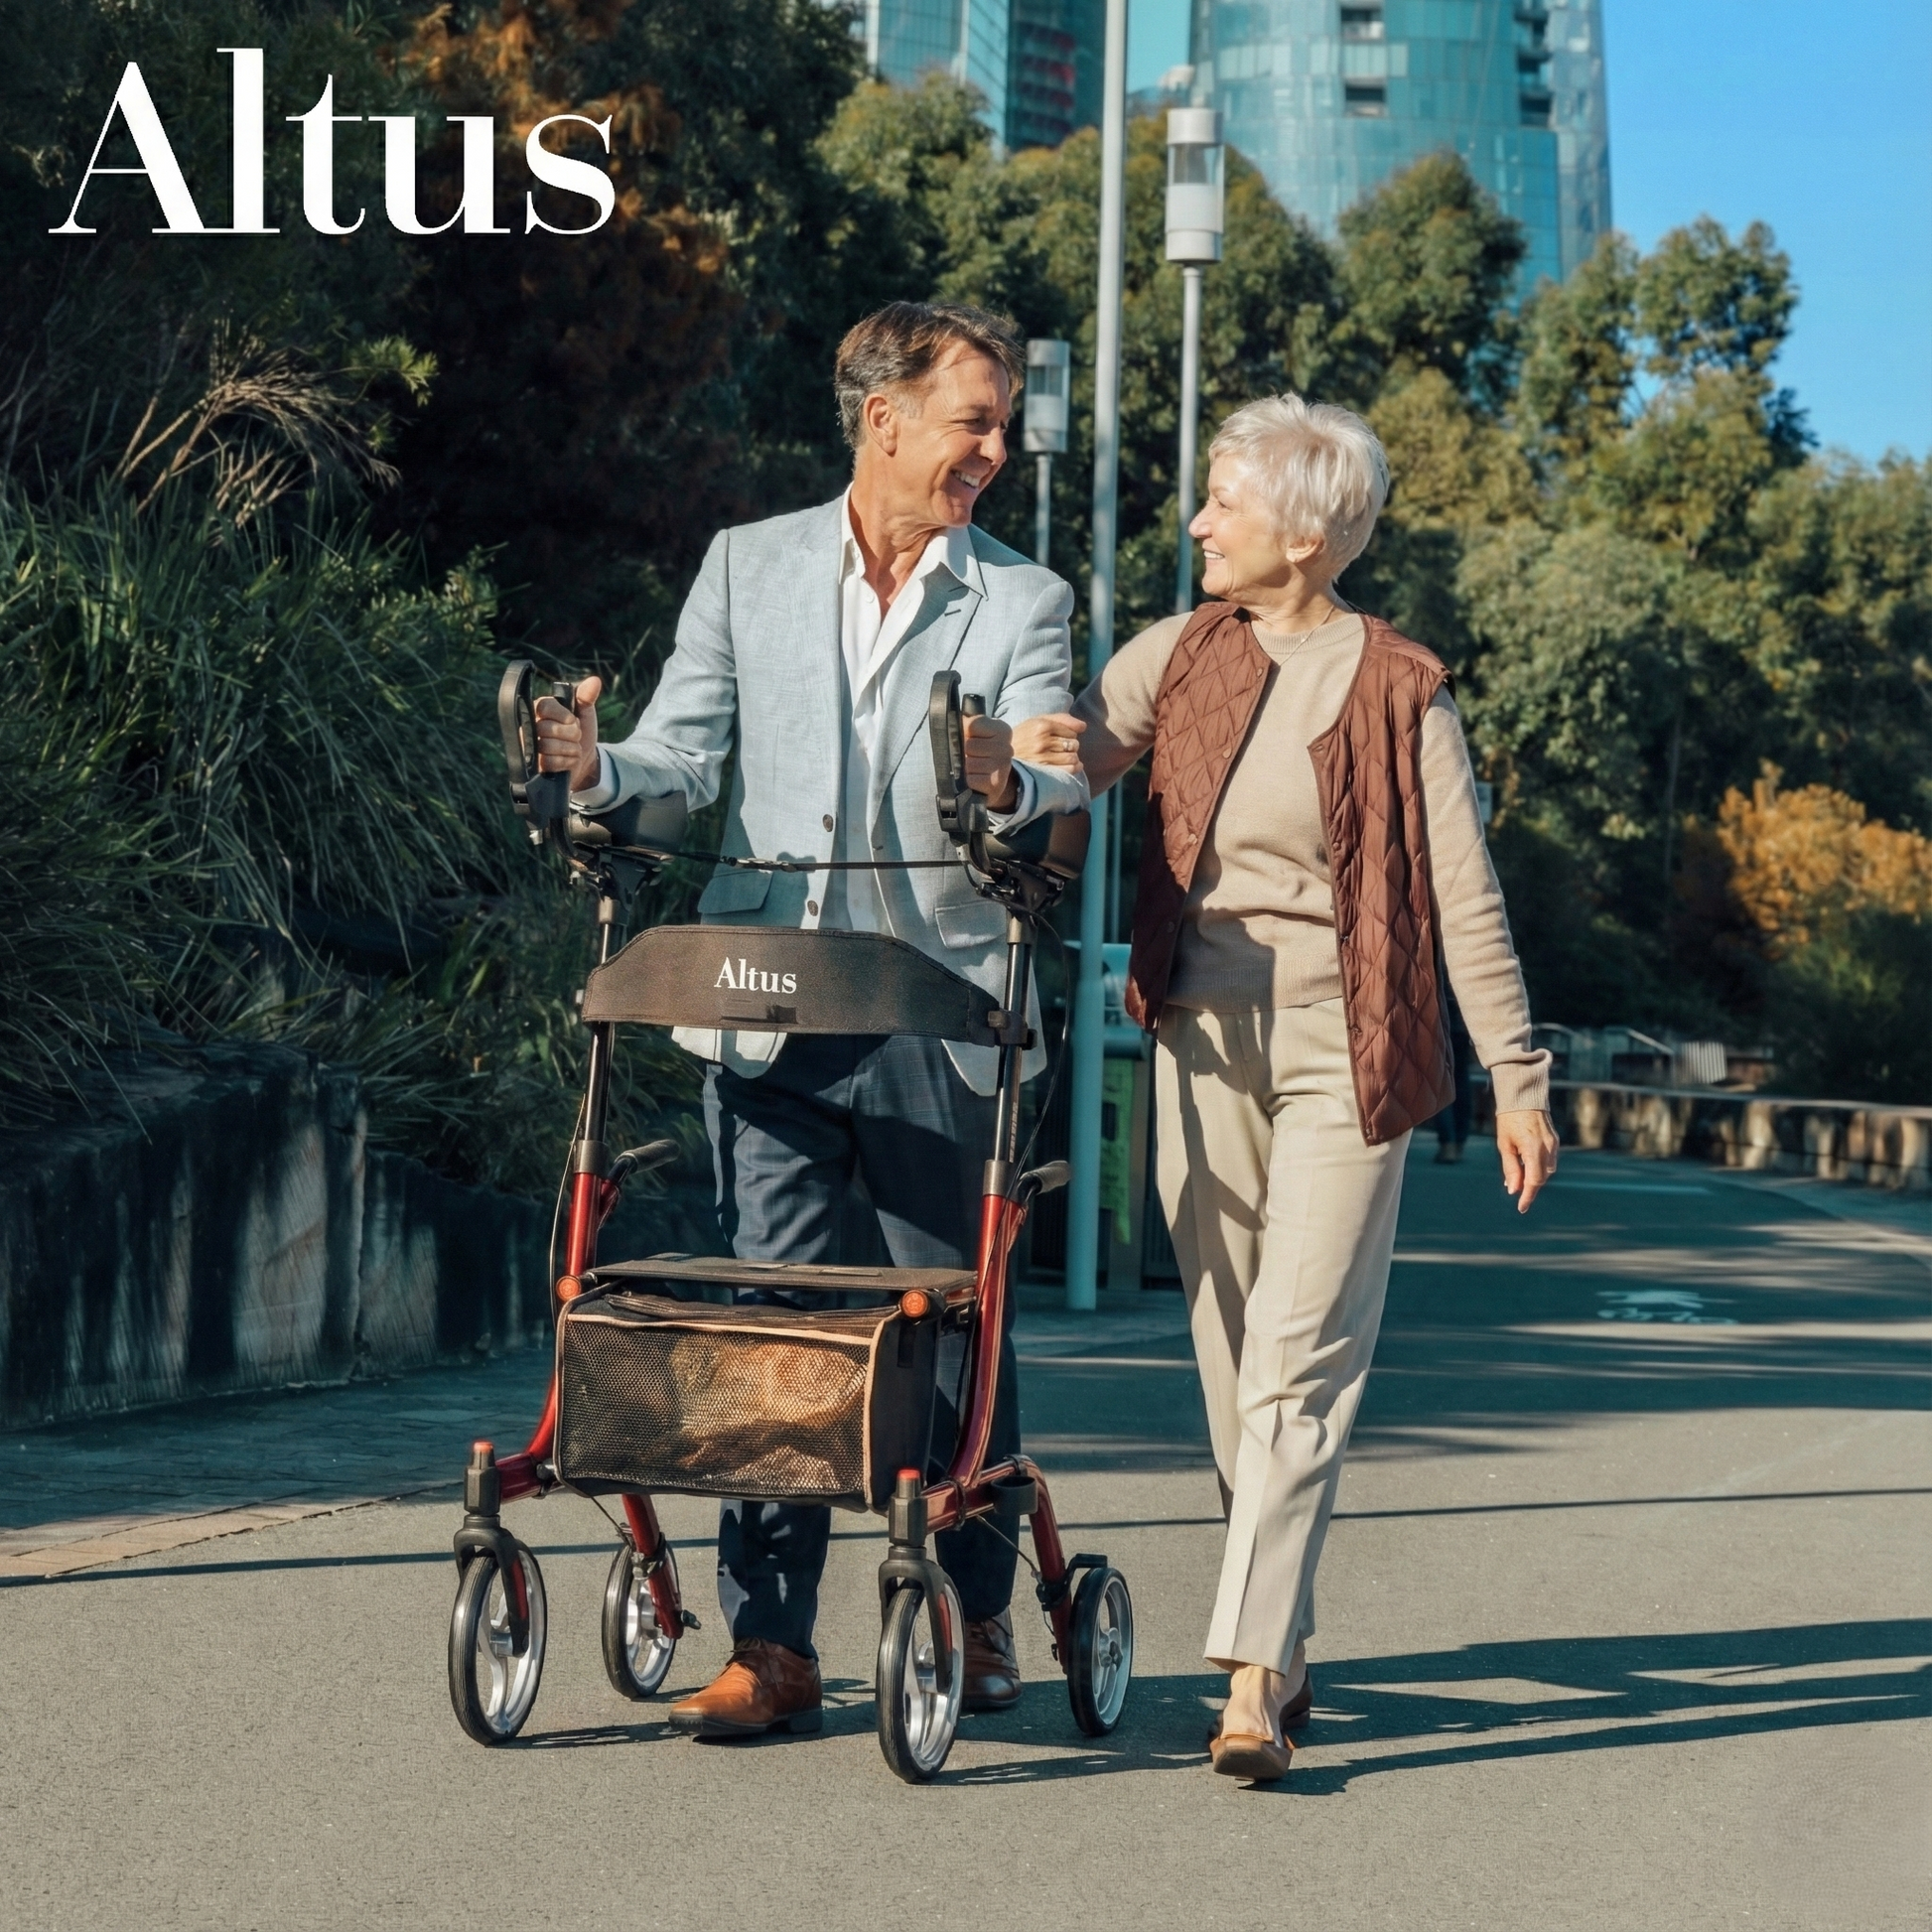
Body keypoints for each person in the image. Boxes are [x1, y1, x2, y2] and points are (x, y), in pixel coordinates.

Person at [534, 302, 1086, 1739]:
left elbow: (1048, 778)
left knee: (946, 1327)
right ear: (882, 416)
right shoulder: (747, 565)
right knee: (773, 1324)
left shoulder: (1023, 598)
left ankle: (969, 1617)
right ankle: (771, 1646)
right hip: (767, 1006)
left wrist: (1007, 783)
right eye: (975, 418)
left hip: (937, 1005)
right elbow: (679, 755)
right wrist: (597, 766)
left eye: (1003, 420)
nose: (997, 446)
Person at [1015, 394, 1560, 1783]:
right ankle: (1290, 1633)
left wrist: (1515, 1073)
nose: (1196, 522)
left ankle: (1251, 1677)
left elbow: (1462, 896)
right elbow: (1077, 756)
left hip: (1347, 1048)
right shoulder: (1183, 651)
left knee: (1298, 1357)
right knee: (1227, 1355)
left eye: (1221, 503)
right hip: (1197, 1040)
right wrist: (1023, 752)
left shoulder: (1399, 688)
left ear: (1305, 532)